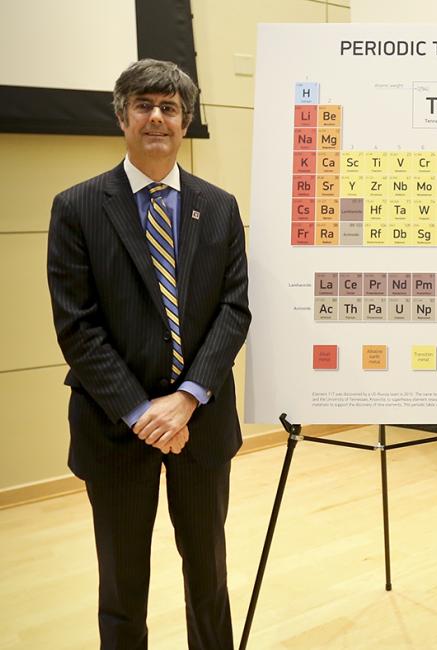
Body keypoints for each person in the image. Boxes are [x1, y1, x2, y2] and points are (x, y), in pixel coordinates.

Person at [47, 59, 250, 649]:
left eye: (170, 107)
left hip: (201, 424)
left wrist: (185, 400)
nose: (157, 117)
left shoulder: (219, 206)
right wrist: (144, 413)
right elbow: (77, 327)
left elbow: (233, 311)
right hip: (115, 427)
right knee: (122, 581)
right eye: (144, 105)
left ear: (185, 121)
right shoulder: (77, 207)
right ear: (123, 117)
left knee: (209, 574)